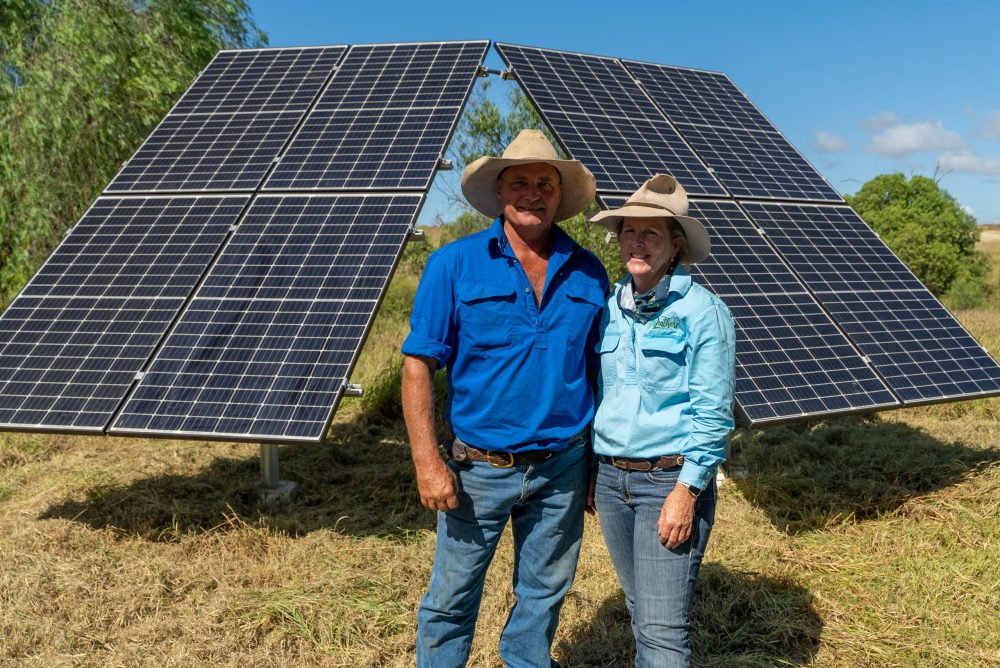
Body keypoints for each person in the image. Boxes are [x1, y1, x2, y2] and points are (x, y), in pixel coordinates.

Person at [401, 129, 609, 667]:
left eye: (546, 182)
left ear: (561, 196)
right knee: (451, 600)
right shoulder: (454, 264)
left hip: (563, 467)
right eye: (521, 182)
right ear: (500, 190)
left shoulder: (589, 271)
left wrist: (594, 465)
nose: (533, 193)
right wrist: (427, 461)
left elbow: (599, 370)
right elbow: (418, 364)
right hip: (478, 471)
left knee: (543, 594)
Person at [587, 174, 736, 667]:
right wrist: (594, 471)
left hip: (668, 481)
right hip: (611, 480)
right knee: (640, 612)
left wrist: (687, 491)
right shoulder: (608, 308)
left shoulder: (702, 311)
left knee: (662, 629)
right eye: (629, 231)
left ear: (675, 246)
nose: (637, 242)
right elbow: (597, 393)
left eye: (651, 233)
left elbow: (713, 414)